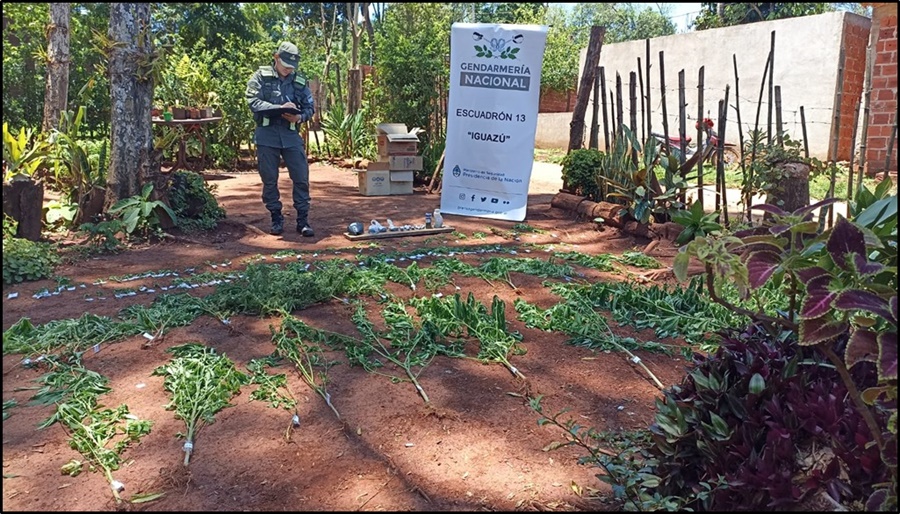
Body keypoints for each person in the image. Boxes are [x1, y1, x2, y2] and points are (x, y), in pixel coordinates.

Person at [245, 41, 316, 236]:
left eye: (291, 67)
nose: (288, 70)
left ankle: (303, 220)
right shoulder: (260, 77)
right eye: (285, 66)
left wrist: (299, 116)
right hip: (267, 135)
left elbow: (310, 107)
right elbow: (253, 101)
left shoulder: (299, 82)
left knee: (301, 177)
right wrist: (277, 108)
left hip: (291, 135)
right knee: (269, 179)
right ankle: (276, 216)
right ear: (276, 58)